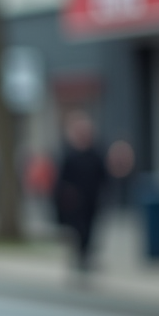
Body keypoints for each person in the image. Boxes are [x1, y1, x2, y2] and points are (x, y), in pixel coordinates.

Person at [54, 111, 108, 272]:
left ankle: (85, 257)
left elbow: (104, 176)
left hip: (92, 200)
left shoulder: (96, 153)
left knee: (91, 230)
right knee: (78, 231)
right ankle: (79, 257)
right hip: (75, 203)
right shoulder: (69, 154)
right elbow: (62, 180)